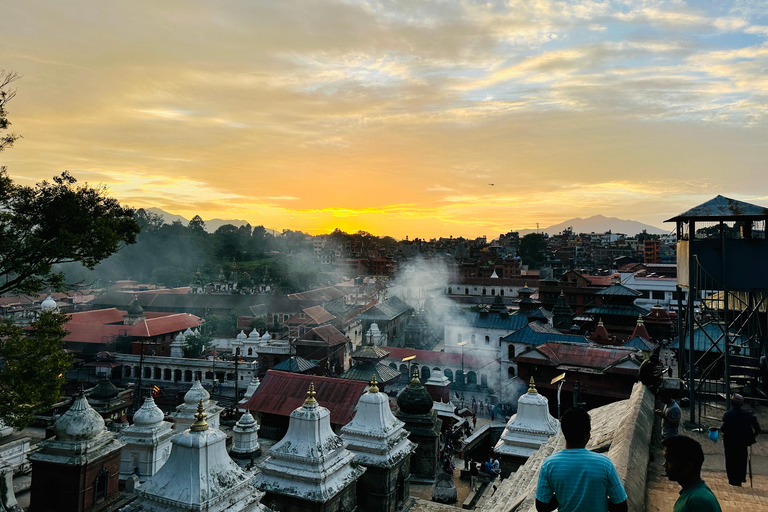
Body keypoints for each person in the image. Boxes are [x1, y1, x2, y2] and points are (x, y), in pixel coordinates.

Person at [536, 408, 627, 512]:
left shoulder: (549, 464)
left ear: (564, 432)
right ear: (586, 435)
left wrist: (561, 495)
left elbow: (542, 506)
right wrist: (600, 500)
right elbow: (621, 506)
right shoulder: (604, 463)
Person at [661, 435, 722, 512]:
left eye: (669, 461)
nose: (664, 464)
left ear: (688, 467)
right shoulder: (691, 494)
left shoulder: (698, 501)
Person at [720, 393, 761, 486]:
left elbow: (724, 428)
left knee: (730, 460)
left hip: (730, 442)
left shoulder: (728, 414)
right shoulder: (748, 415)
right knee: (741, 460)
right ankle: (740, 478)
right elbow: (757, 428)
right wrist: (751, 437)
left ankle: (733, 479)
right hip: (743, 442)